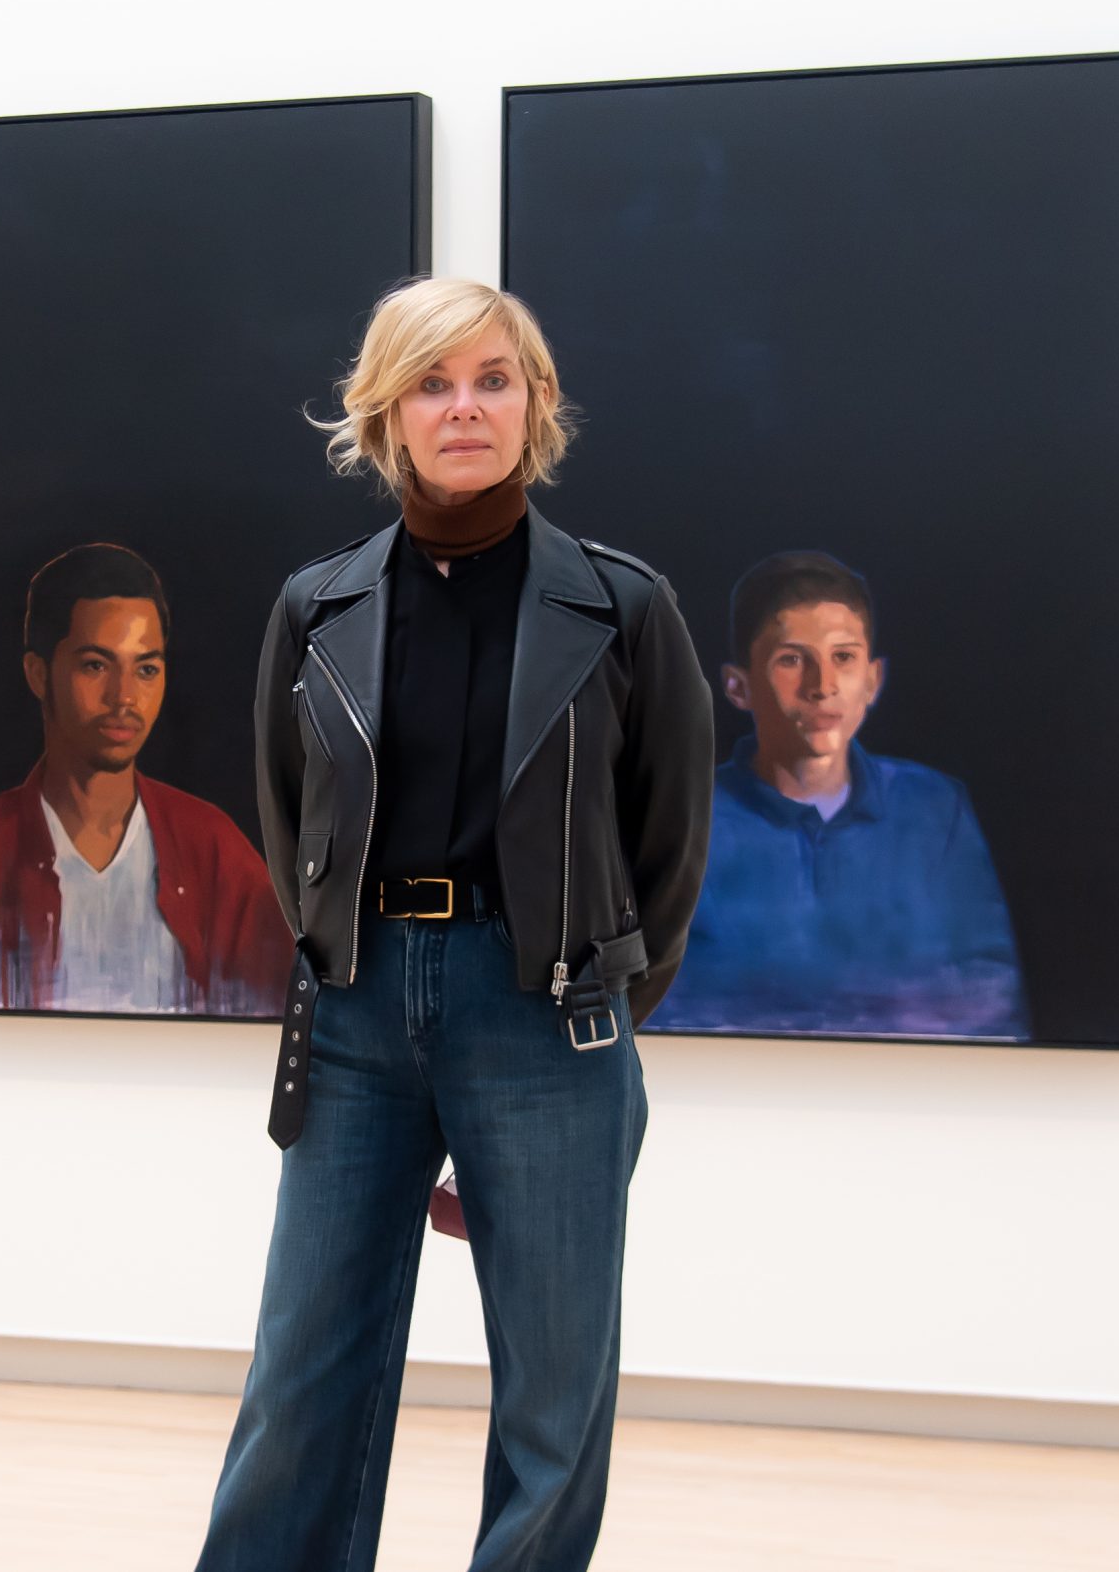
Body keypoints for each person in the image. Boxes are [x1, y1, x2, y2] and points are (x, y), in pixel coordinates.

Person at [198, 279, 713, 1570]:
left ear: (536, 403)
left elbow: (669, 850)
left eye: (492, 377)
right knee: (302, 1368)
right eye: (433, 382)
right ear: (385, 413)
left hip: (548, 1016)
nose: (464, 405)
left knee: (552, 1390)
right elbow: (288, 814)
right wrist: (348, 965)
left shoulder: (627, 609)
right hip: (359, 1012)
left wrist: (591, 1017)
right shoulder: (315, 609)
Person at [0, 543, 288, 1015]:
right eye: (96, 665)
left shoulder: (213, 848)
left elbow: (273, 1014)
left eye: (146, 669)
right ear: (37, 673)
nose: (124, 697)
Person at [645, 550, 1027, 1039]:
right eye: (791, 659)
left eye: (843, 657)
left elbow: (992, 994)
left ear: (873, 680)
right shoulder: (688, 814)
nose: (822, 686)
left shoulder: (935, 808)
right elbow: (657, 1000)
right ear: (738, 687)